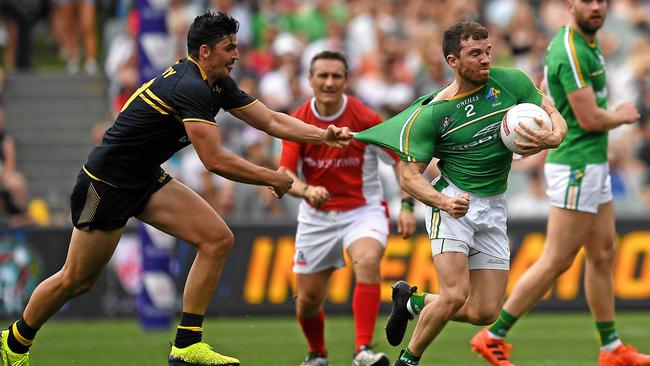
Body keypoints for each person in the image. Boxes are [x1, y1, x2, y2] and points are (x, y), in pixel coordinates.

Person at [0, 11, 351, 366]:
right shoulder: (191, 87)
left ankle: (186, 345)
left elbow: (272, 120)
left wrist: (324, 135)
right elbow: (214, 160)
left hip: (144, 179)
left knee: (217, 239)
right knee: (76, 279)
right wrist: (270, 177)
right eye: (229, 48)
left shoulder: (216, 82)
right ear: (204, 51)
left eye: (237, 47)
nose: (236, 56)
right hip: (106, 185)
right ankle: (13, 344)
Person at [354, 21, 567, 366]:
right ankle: (408, 360)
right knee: (454, 295)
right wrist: (442, 202)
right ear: (453, 61)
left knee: (485, 312)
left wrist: (555, 136)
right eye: (475, 53)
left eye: (488, 51)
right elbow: (409, 176)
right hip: (453, 202)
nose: (485, 60)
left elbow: (553, 113)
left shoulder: (512, 81)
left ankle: (411, 302)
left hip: (494, 204)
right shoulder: (436, 112)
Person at [470, 1, 650, 366]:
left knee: (602, 253)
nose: (597, 7)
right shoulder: (570, 48)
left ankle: (611, 348)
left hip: (592, 163)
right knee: (556, 260)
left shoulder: (585, 41)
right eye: (588, 0)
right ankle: (492, 335)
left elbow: (545, 85)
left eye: (602, 0)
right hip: (575, 165)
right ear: (570, 4)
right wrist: (623, 115)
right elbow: (589, 118)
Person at [279, 50, 417, 366]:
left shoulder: (364, 118)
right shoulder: (298, 119)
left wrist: (407, 204)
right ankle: (317, 354)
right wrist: (306, 190)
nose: (329, 82)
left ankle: (363, 351)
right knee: (308, 301)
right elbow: (285, 174)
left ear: (346, 80)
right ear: (310, 79)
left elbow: (402, 160)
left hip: (363, 211)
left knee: (367, 261)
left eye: (336, 76)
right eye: (323, 76)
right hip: (316, 216)